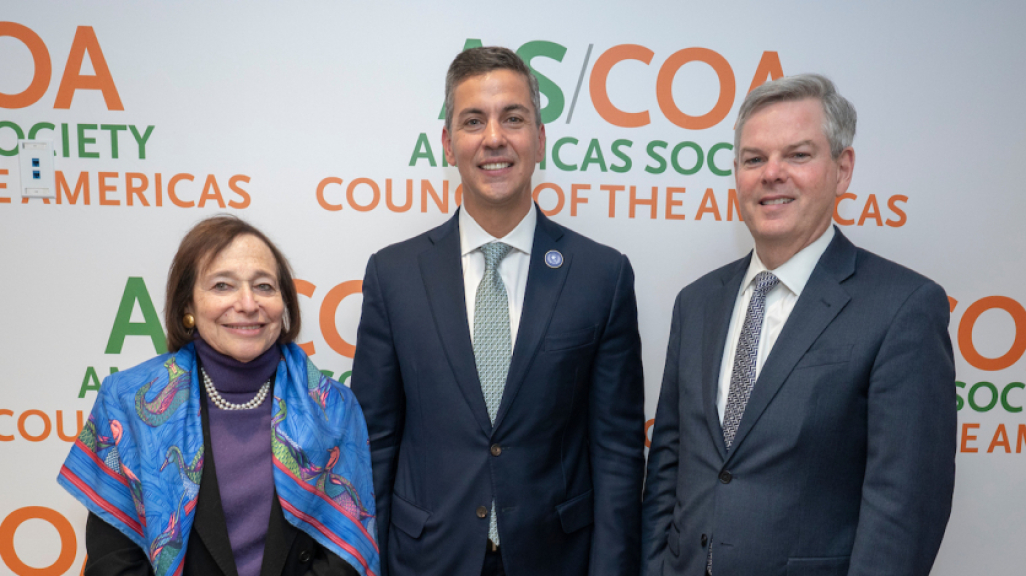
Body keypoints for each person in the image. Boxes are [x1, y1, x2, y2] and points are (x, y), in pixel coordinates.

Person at [641, 74, 956, 576]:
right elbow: (668, 470)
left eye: (798, 155)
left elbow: (904, 509)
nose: (772, 174)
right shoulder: (696, 303)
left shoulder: (903, 308)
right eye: (754, 159)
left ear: (842, 169)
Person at [351, 46, 645, 576]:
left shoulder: (602, 275)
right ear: (447, 143)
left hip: (558, 559)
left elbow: (618, 454)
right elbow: (374, 443)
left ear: (540, 139)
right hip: (426, 559)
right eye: (472, 121)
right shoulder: (394, 276)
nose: (494, 138)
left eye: (513, 118)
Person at [58, 216, 379, 576]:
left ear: (284, 304)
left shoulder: (333, 408)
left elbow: (344, 560)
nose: (247, 303)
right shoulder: (129, 401)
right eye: (223, 286)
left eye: (264, 287)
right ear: (188, 307)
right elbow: (114, 562)